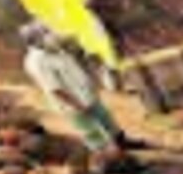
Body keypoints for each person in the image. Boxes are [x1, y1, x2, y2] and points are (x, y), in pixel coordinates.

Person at [21, 23, 137, 153]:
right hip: (72, 103)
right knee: (92, 132)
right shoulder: (37, 61)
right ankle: (108, 158)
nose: (50, 35)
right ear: (35, 41)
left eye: (48, 31)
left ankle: (123, 143)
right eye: (45, 33)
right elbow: (54, 89)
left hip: (87, 95)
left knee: (106, 119)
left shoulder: (53, 48)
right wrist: (77, 105)